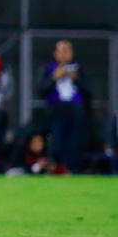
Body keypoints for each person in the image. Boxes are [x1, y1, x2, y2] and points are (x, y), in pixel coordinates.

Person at [37, 40, 90, 173]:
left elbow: (88, 92)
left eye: (67, 50)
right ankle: (55, 169)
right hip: (55, 111)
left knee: (73, 143)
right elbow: (41, 90)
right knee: (56, 142)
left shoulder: (79, 70)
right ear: (55, 54)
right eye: (62, 51)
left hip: (75, 111)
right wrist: (54, 78)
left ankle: (73, 170)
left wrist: (77, 80)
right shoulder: (47, 69)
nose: (65, 54)